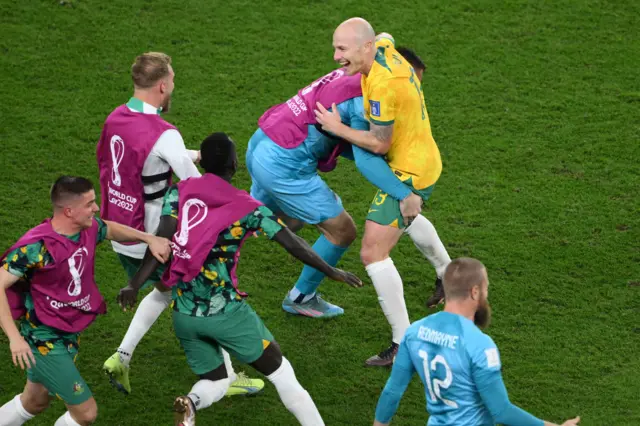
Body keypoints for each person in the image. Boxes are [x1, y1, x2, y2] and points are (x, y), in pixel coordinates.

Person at [118, 132, 362, 426]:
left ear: (203, 162)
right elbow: (293, 243)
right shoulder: (248, 208)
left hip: (184, 312)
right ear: (234, 163)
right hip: (226, 313)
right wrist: (331, 271)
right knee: (283, 374)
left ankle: (191, 404)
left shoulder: (178, 192)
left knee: (218, 380)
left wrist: (134, 284)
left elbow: (161, 241)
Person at [96, 51, 262, 396]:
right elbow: (198, 188)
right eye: (171, 81)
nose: (173, 87)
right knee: (205, 295)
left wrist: (189, 153)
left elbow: (140, 155)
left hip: (119, 231)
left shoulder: (116, 118)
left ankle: (121, 356)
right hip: (155, 235)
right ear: (161, 85)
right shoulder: (163, 132)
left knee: (164, 290)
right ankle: (227, 378)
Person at [246, 49, 438, 321]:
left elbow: (344, 139)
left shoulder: (361, 71)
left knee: (246, 217)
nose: (414, 93)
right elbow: (365, 160)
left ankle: (190, 242)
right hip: (283, 165)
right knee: (342, 231)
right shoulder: (368, 100)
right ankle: (301, 298)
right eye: (412, 83)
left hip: (262, 140)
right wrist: (404, 193)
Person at [315, 18, 452, 365]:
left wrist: (337, 128)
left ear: (365, 48)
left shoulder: (382, 86)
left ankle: (402, 342)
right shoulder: (384, 48)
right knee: (402, 222)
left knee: (373, 252)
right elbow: (388, 35)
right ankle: (449, 278)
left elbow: (378, 143)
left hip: (409, 173)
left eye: (342, 49)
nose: (335, 56)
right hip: (423, 157)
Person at [0, 176, 170, 426]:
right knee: (86, 413)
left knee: (34, 400)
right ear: (69, 211)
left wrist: (149, 238)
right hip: (43, 338)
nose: (96, 207)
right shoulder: (37, 246)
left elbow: (109, 228)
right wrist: (15, 339)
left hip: (67, 330)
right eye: (90, 203)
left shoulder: (88, 228)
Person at [372, 258, 581, 426]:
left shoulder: (415, 332)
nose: (486, 294)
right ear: (474, 292)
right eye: (486, 288)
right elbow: (501, 411)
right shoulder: (479, 344)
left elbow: (392, 391)